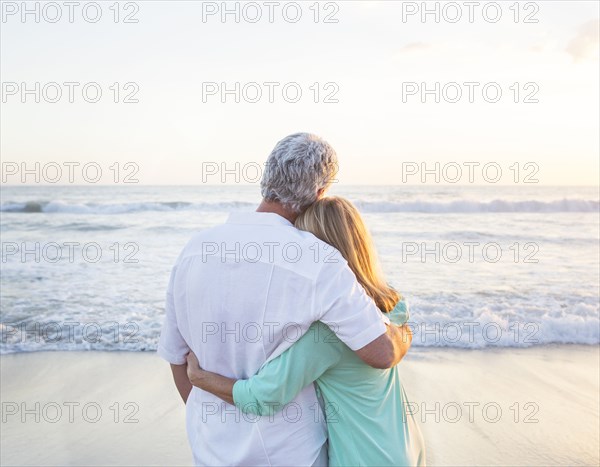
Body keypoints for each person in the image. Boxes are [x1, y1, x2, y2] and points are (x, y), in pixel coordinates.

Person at [157, 133, 412, 466]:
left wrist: (211, 425)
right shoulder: (320, 261)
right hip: (289, 454)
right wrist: (402, 326)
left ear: (266, 178)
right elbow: (381, 352)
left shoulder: (194, 250)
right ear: (321, 192)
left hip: (209, 450)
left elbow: (177, 358)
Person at [186, 196, 425, 466]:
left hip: (364, 458)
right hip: (404, 447)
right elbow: (401, 329)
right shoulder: (388, 303)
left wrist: (199, 377)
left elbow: (262, 396)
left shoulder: (328, 335)